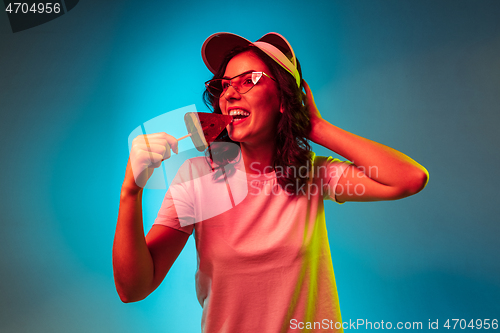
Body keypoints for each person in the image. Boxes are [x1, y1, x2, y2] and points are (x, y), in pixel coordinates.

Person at [113, 32, 429, 332]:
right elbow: (133, 288)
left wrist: (316, 128)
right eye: (224, 85)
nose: (230, 93)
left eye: (248, 80)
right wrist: (131, 191)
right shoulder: (196, 180)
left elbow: (410, 179)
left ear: (282, 99)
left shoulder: (311, 175)